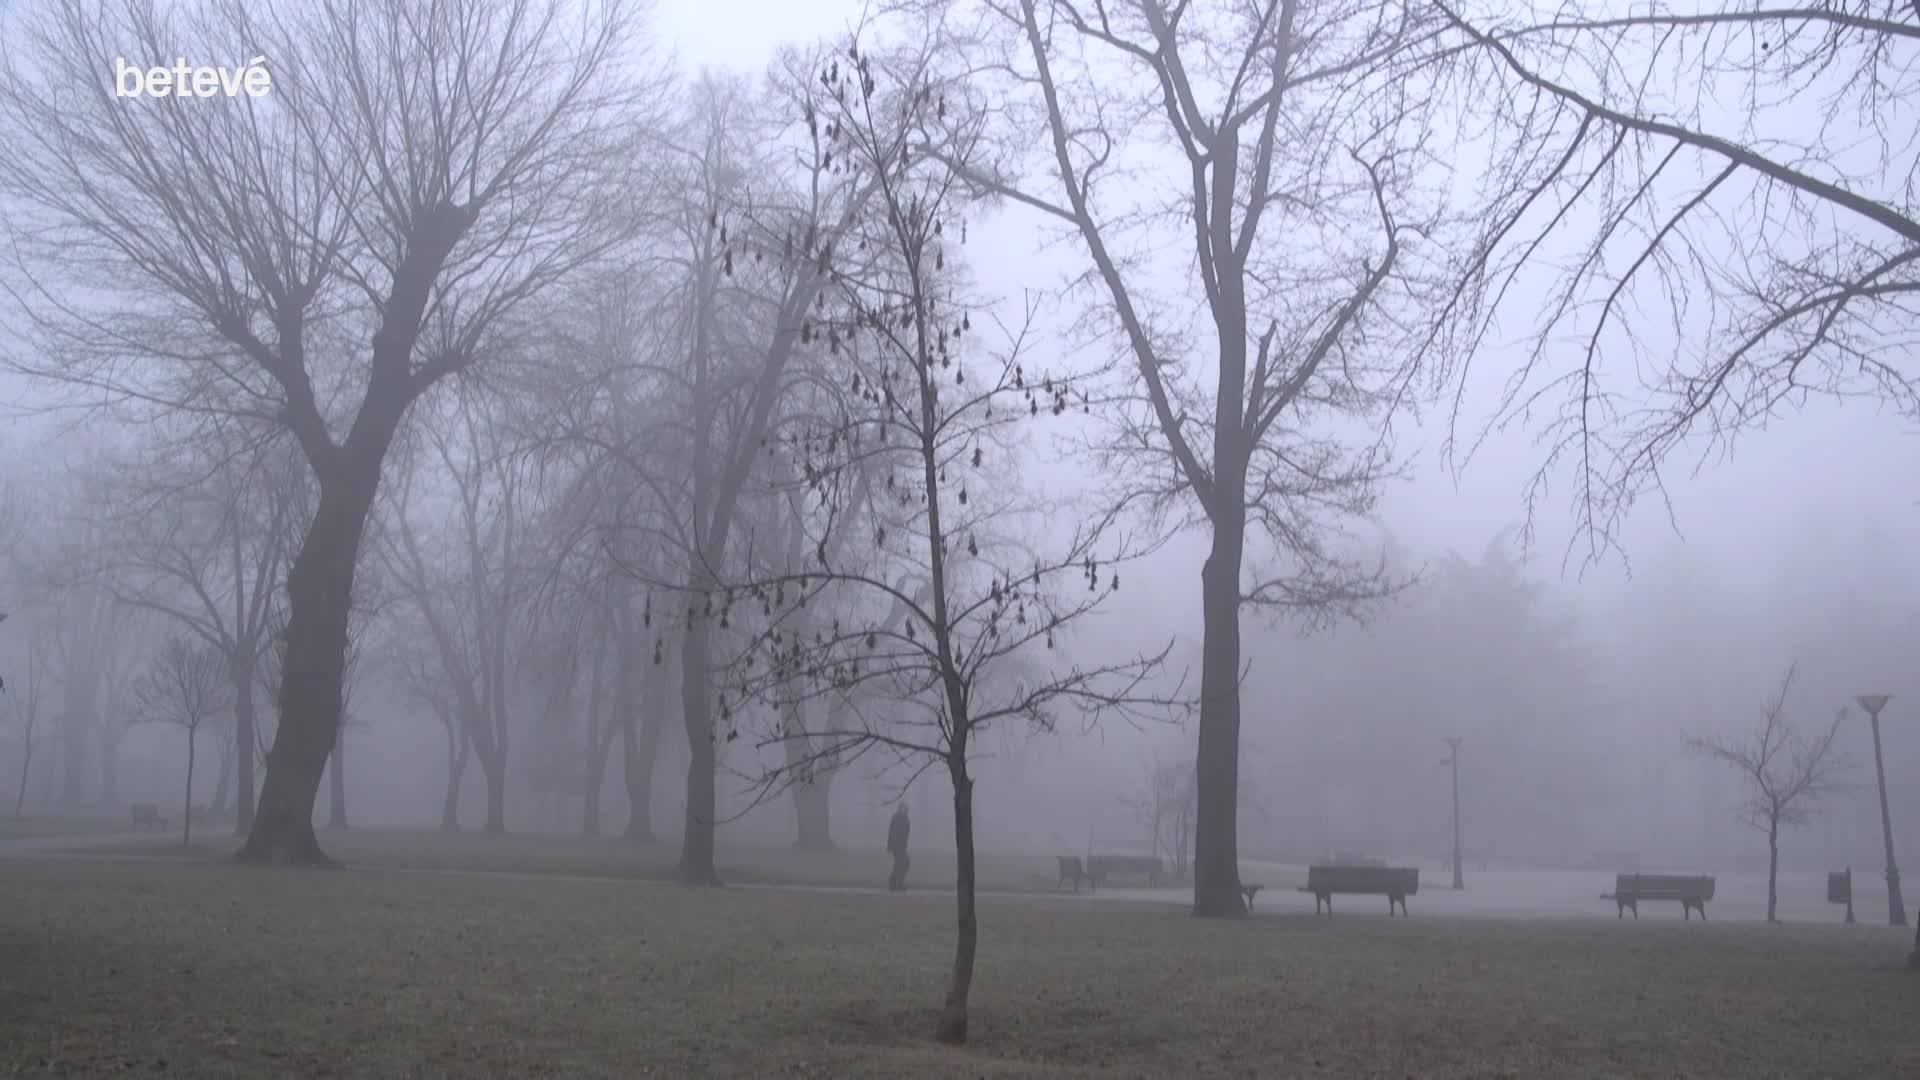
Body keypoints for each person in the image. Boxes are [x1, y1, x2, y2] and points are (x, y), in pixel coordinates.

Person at [886, 803, 911, 892]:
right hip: (897, 846)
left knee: (904, 864)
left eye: (906, 808)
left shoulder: (906, 819)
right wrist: (890, 846)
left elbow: (905, 834)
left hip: (902, 846)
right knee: (901, 864)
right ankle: (896, 883)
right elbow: (892, 832)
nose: (905, 810)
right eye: (903, 808)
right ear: (900, 809)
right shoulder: (897, 818)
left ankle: (896, 882)